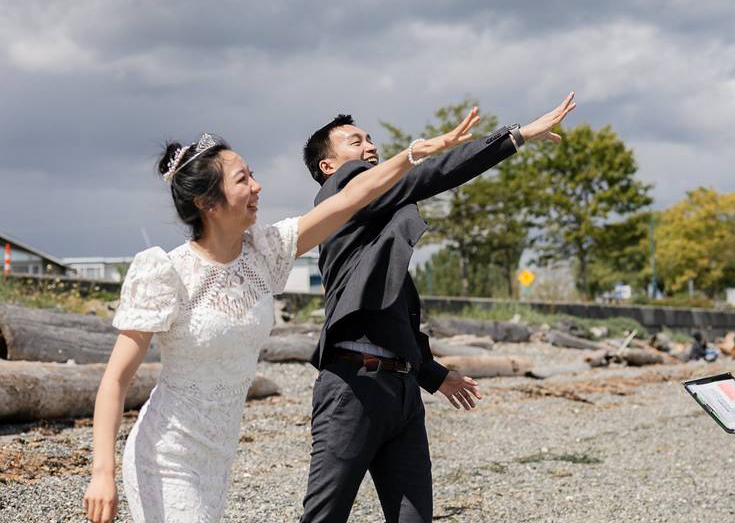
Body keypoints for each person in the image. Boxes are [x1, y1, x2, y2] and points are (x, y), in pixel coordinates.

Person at [81, 112, 480, 523]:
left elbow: (349, 199)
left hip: (219, 455)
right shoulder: (165, 272)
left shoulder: (264, 252)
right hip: (166, 454)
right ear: (206, 202)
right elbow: (115, 380)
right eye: (242, 180)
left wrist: (411, 155)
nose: (257, 186)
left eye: (252, 174)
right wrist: (101, 474)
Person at [298, 93, 577, 523]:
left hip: (403, 393)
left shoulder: (377, 217)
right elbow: (432, 176)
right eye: (355, 142)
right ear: (328, 167)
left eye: (370, 139)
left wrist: (431, 373)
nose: (369, 147)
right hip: (353, 389)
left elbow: (387, 306)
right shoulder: (342, 194)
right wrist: (515, 137)